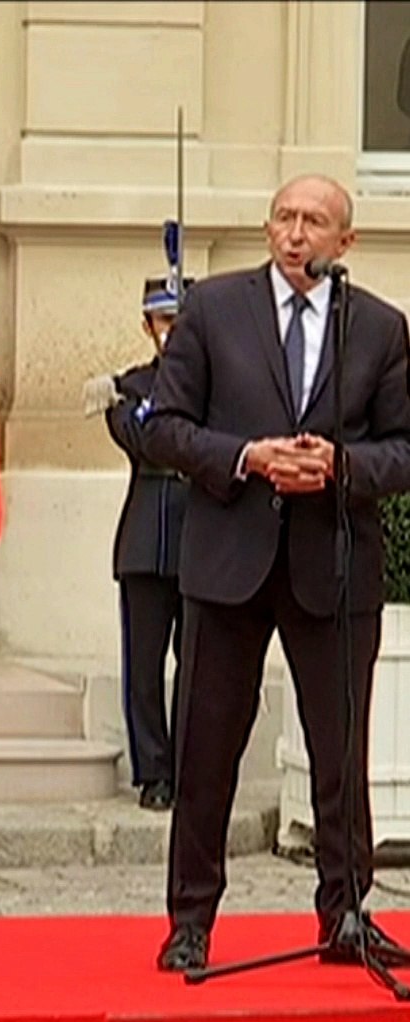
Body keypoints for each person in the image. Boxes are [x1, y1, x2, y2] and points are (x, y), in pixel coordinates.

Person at [144, 174, 410, 972]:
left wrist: (342, 466)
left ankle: (346, 913)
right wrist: (245, 457)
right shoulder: (213, 311)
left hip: (331, 564)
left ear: (345, 244)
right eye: (285, 219)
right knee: (207, 749)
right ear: (268, 230)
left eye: (315, 223)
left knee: (342, 750)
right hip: (229, 558)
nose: (297, 235)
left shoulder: (379, 328)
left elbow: (402, 448)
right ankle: (190, 917)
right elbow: (163, 429)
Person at [102, 274, 192, 811]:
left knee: (199, 661)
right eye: (164, 321)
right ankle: (153, 770)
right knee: (144, 663)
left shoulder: (218, 387)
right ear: (148, 326)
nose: (174, 331)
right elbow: (143, 439)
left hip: (200, 537)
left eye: (183, 321)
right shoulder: (132, 386)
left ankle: (190, 764)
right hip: (144, 536)